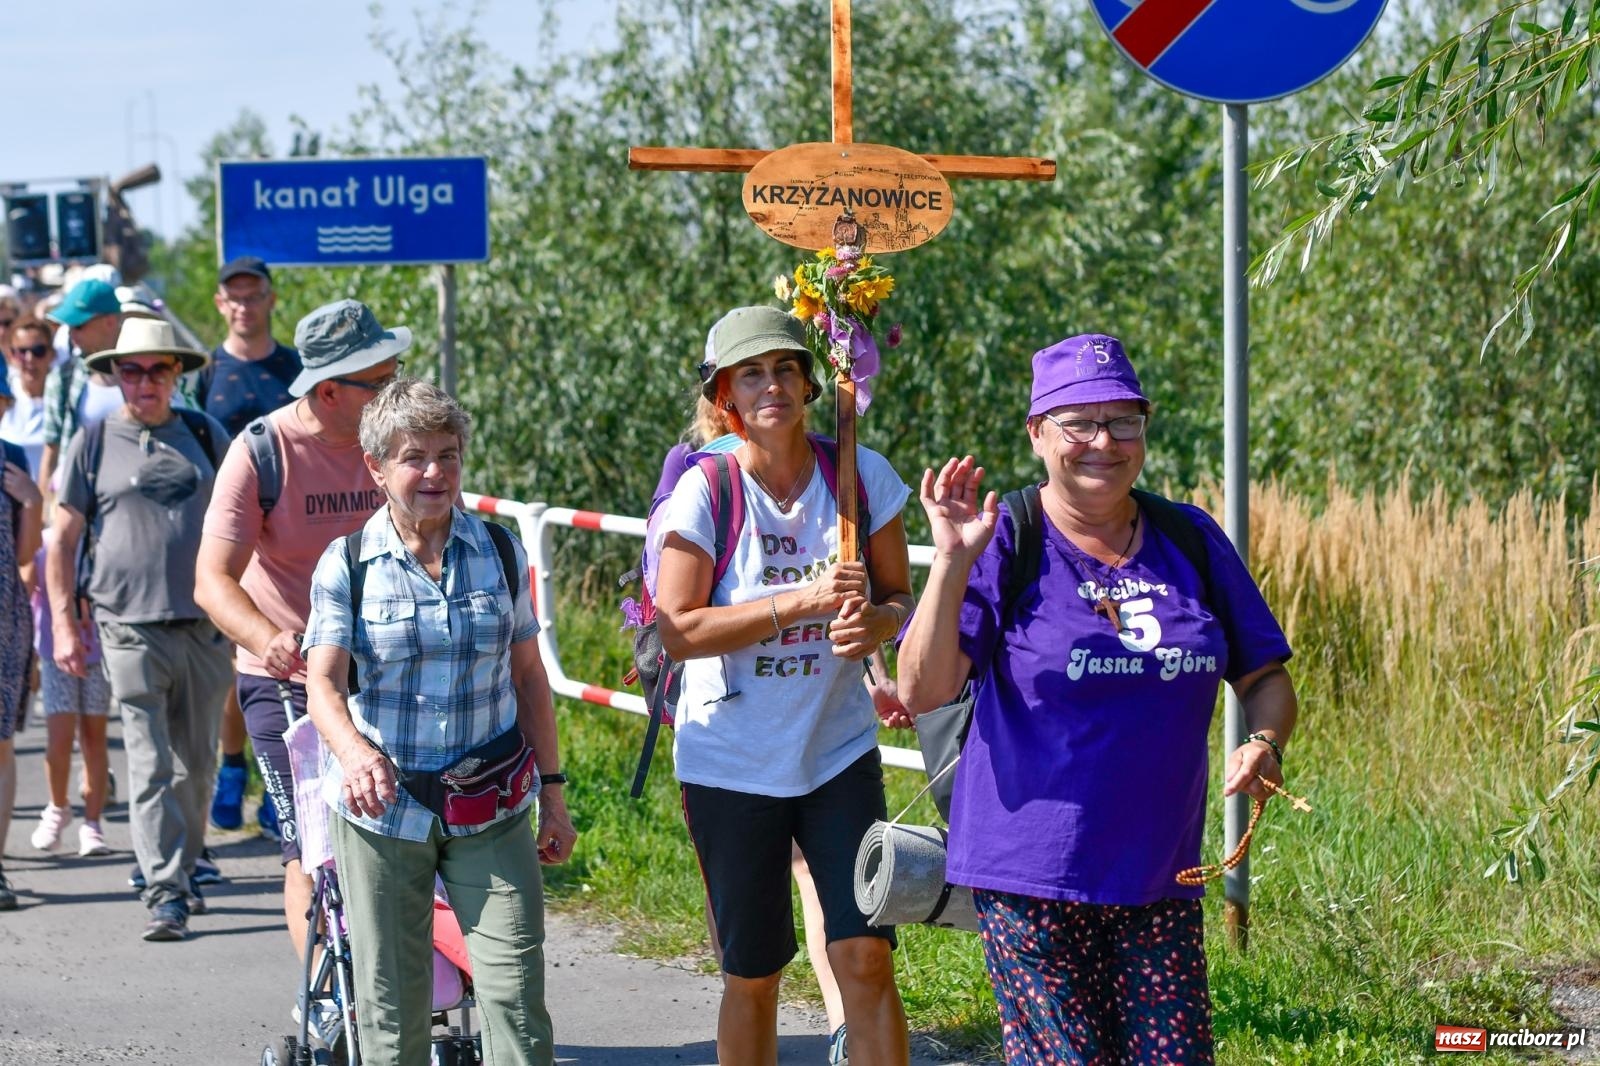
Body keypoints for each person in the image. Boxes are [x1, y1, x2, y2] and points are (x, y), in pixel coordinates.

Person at [897, 333, 1300, 1065]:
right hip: (1032, 876)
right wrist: (951, 561)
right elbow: (922, 688)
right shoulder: (1007, 539)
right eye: (1079, 421)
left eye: (1123, 422)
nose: (1103, 442)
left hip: (1159, 874)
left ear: (1144, 428)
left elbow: (1265, 676)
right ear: (1038, 433)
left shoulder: (1191, 539)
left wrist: (1266, 742)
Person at [654, 305, 913, 1066]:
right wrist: (802, 602)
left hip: (836, 753)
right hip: (730, 762)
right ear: (726, 398)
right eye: (751, 374)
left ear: (811, 383)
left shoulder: (859, 473)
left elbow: (897, 597)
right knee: (755, 972)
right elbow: (678, 628)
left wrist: (875, 625)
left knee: (867, 956)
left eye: (785, 369)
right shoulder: (708, 490)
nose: (772, 385)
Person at [304, 379, 577, 1065]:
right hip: (385, 813)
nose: (435, 473)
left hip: (491, 804)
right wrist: (355, 754)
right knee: (393, 1014)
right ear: (375, 467)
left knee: (515, 993)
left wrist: (554, 791)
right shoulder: (347, 565)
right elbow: (323, 685)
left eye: (448, 455)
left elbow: (529, 677)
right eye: (414, 456)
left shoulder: (500, 548)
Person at [195, 298, 401, 959]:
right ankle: (324, 997)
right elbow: (213, 581)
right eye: (381, 381)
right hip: (283, 676)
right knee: (308, 842)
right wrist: (266, 639)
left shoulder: (397, 446)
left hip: (386, 670)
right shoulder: (261, 451)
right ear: (331, 389)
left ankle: (405, 985)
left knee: (401, 830)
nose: (394, 391)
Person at [46, 318, 232, 942]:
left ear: (176, 373)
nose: (144, 381)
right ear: (115, 376)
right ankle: (165, 891)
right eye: (131, 370)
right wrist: (66, 627)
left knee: (197, 765)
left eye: (157, 369)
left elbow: (245, 523)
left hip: (205, 626)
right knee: (150, 761)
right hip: (126, 624)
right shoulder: (93, 441)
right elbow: (63, 538)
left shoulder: (206, 434)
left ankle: (179, 868)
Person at [193, 256, 304, 837]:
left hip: (292, 539)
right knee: (243, 664)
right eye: (233, 297)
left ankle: (274, 782)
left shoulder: (295, 367)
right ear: (220, 303)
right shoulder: (206, 375)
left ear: (270, 299)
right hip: (232, 539)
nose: (244, 305)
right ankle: (234, 766)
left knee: (295, 662)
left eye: (254, 295)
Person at [0, 379, 44, 910]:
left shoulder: (12, 458)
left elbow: (28, 552)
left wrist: (32, 503)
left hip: (6, 619)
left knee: (2, 745)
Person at [38, 279, 125, 501]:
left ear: (109, 322)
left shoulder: (149, 371)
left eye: (79, 326)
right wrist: (44, 517)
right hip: (79, 503)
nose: (71, 334)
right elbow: (51, 451)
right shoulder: (62, 378)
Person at [2, 316, 53, 477]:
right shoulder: (4, 397)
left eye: (38, 351)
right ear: (11, 355)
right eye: (22, 352)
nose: (30, 359)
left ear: (51, 354)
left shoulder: (65, 400)